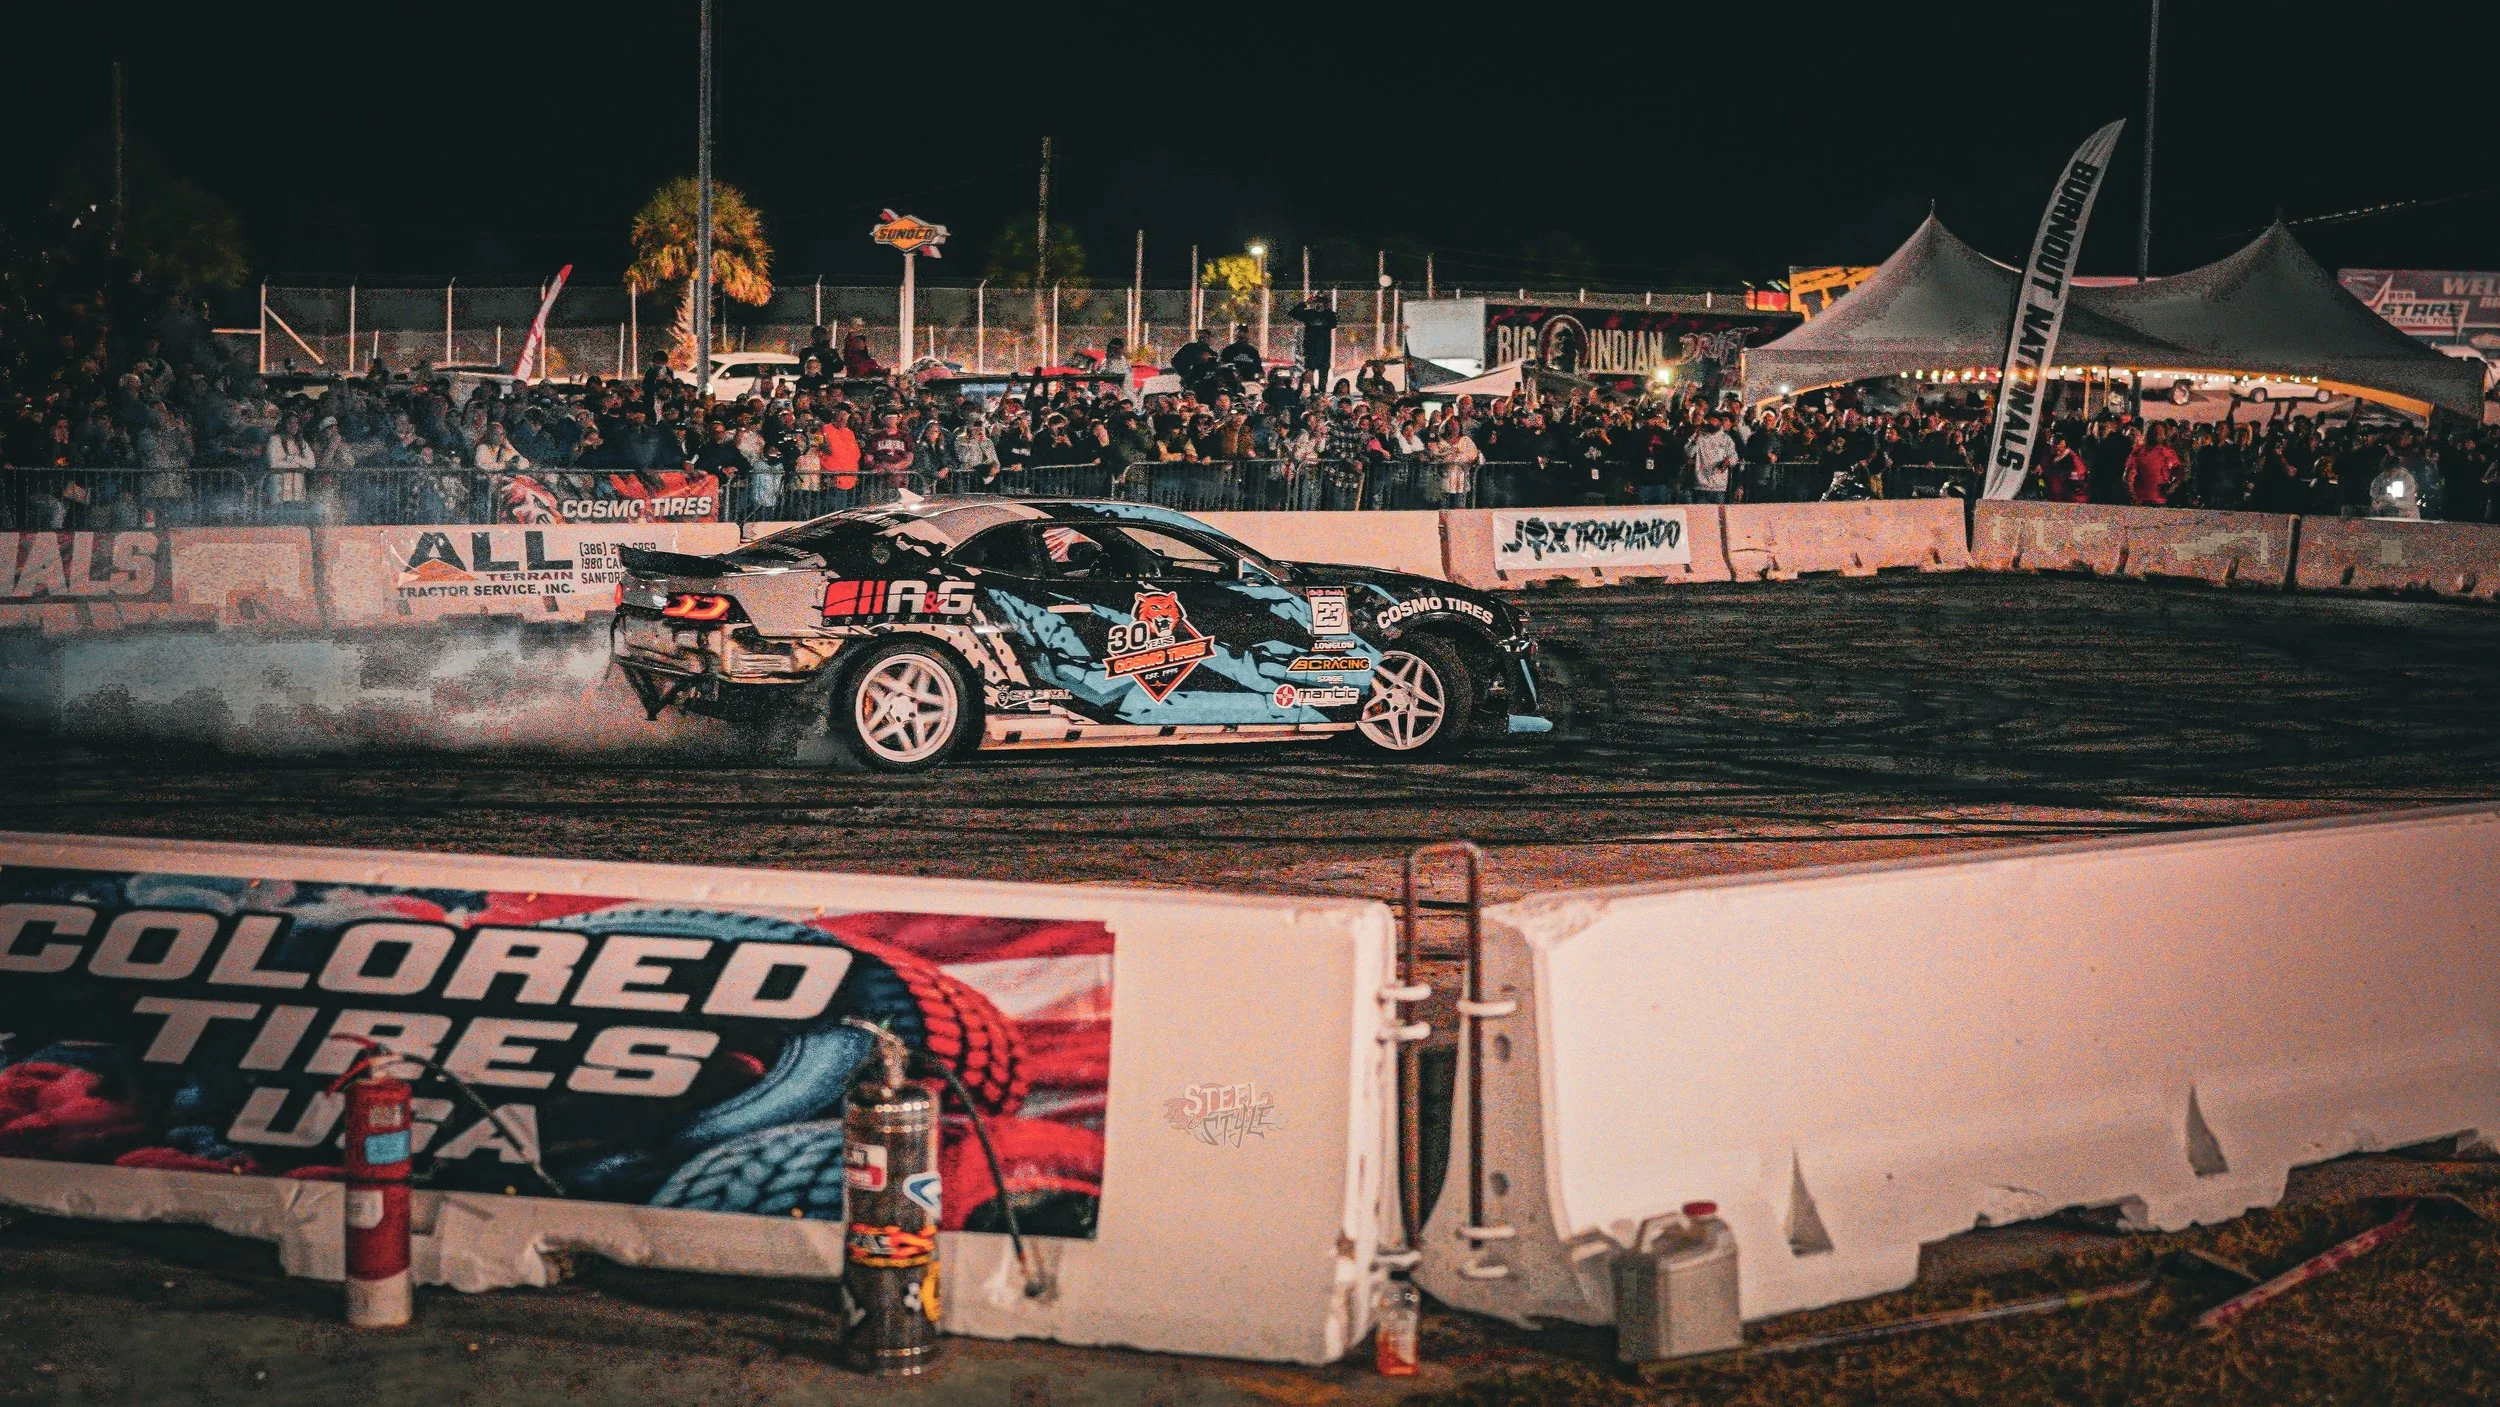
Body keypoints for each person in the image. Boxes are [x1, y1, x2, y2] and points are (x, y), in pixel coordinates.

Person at [1288, 295, 1337, 394]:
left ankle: (1321, 394)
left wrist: (1326, 309)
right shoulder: (1309, 314)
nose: (1320, 304)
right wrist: (1306, 303)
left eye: (1322, 302)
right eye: (1318, 302)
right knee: (1308, 373)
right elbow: (1292, 313)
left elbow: (1334, 323)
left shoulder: (1329, 315)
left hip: (1324, 351)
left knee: (1323, 375)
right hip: (1310, 350)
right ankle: (1306, 392)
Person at [1684, 412, 1737, 504]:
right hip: (1701, 485)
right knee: (1701, 516)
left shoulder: (1726, 439)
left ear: (1719, 423)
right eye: (1707, 422)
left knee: (1717, 517)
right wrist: (1695, 439)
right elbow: (1689, 453)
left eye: (1712, 422)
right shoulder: (1699, 436)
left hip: (1719, 486)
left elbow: (1734, 457)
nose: (1709, 424)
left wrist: (1728, 461)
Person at [2043, 432, 2090, 502]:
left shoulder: (2072, 458)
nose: (2051, 447)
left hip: (2069, 500)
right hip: (2056, 498)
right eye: (2051, 444)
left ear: (2063, 443)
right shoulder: (2054, 457)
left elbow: (2080, 475)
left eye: (2054, 444)